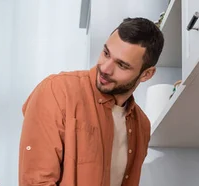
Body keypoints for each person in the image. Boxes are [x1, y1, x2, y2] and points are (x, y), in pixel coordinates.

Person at [19, 17, 164, 186]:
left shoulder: (142, 125)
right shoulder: (57, 90)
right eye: (106, 53)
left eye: (122, 65)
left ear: (146, 74)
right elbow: (36, 181)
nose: (105, 68)